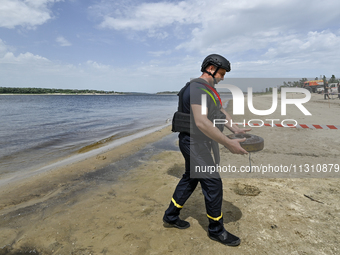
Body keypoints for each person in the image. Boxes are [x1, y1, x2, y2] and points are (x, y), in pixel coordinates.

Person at [163, 54, 250, 247]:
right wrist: (228, 143)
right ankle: (216, 231)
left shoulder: (207, 90)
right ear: (211, 69)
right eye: (222, 73)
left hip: (196, 142)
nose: (223, 77)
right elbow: (202, 122)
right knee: (212, 183)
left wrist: (234, 129)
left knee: (190, 178)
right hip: (193, 142)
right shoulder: (198, 89)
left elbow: (220, 111)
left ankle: (170, 216)